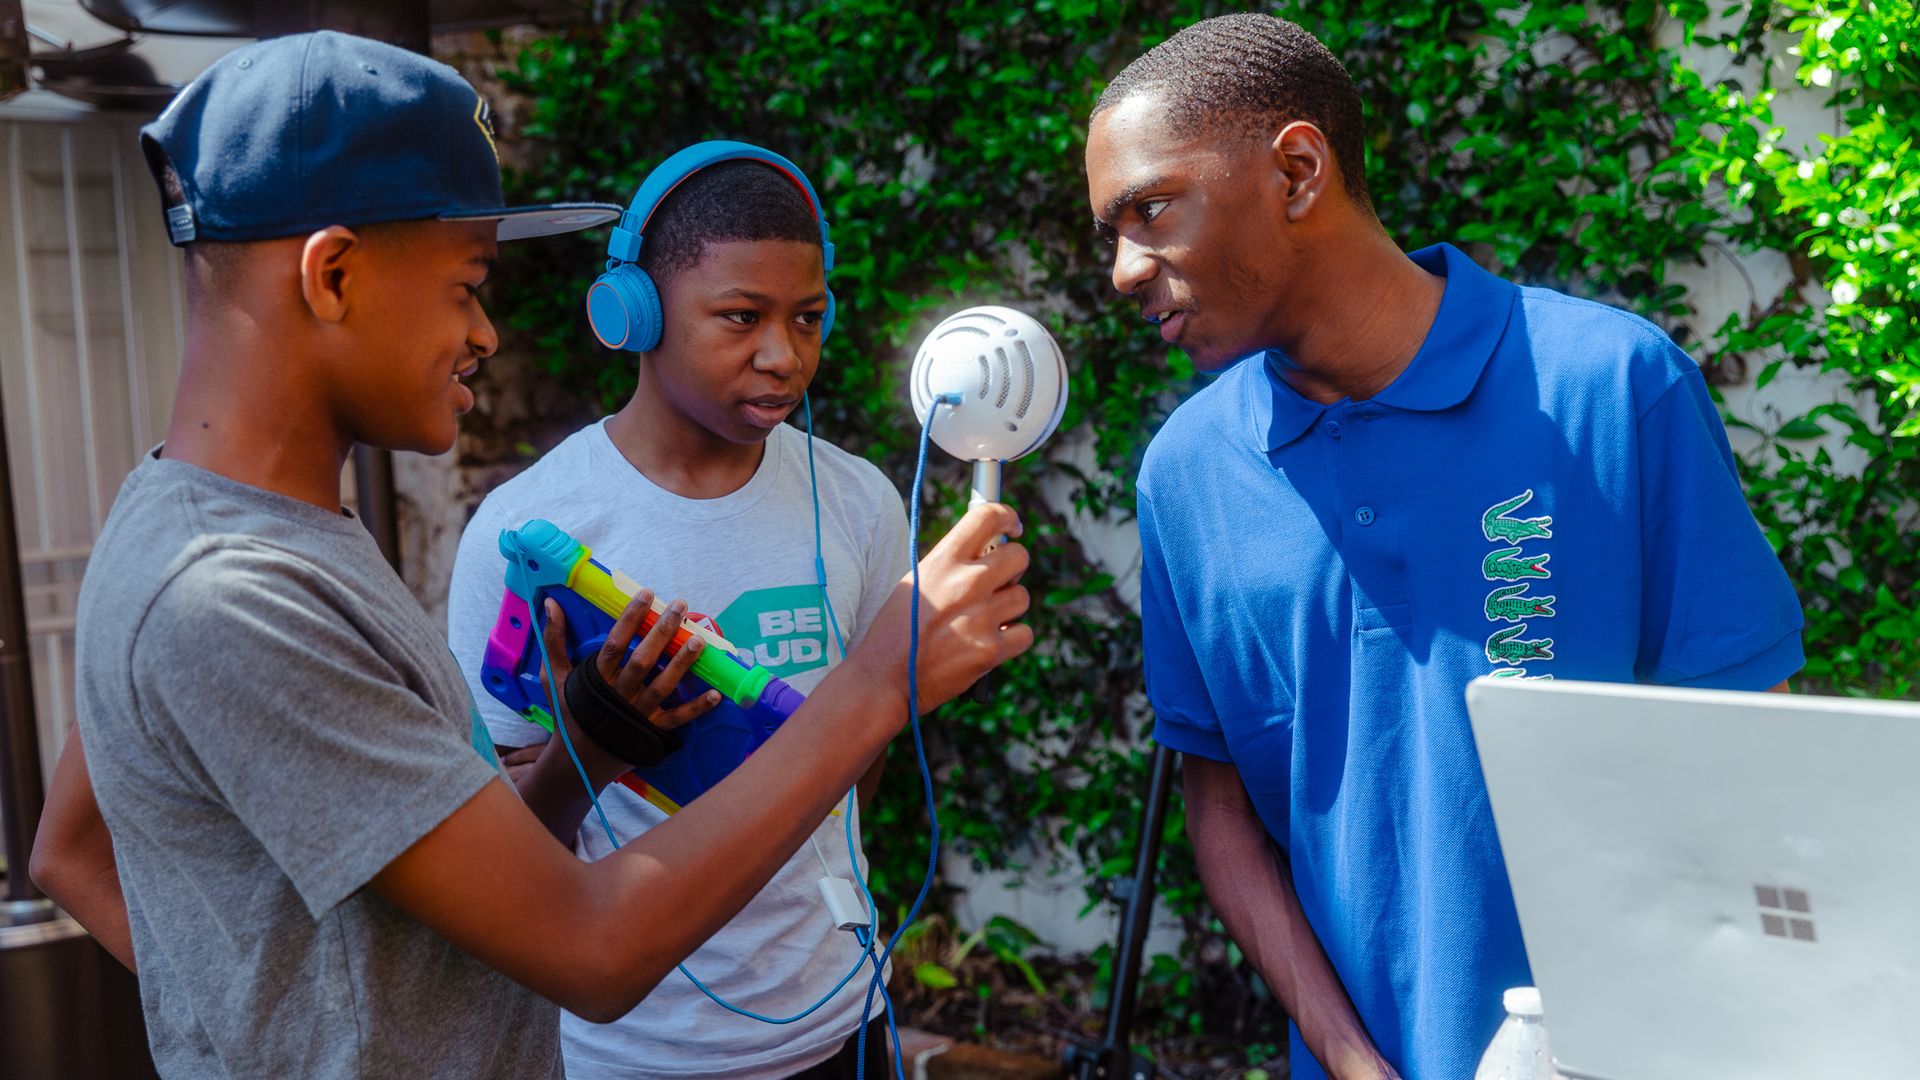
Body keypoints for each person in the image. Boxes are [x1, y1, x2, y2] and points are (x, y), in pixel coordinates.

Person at [27, 31, 1031, 1079]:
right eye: (467, 285)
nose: (487, 334)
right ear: (332, 275)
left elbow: (75, 850)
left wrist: (588, 746)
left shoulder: (235, 534)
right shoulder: (230, 597)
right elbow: (592, 949)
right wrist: (880, 680)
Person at [1085, 14, 1803, 1079]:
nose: (1121, 270)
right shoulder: (1188, 475)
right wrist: (1347, 1057)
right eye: (1109, 230)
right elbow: (1220, 803)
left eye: (1149, 210)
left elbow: (1751, 752)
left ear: (1296, 171)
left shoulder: (1609, 386)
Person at [445, 146, 909, 1078]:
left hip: (843, 1023)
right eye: (741, 317)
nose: (784, 356)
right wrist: (593, 744)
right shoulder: (528, 530)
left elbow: (863, 754)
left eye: (808, 317)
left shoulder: (859, 501)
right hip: (631, 1053)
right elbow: (501, 855)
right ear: (635, 312)